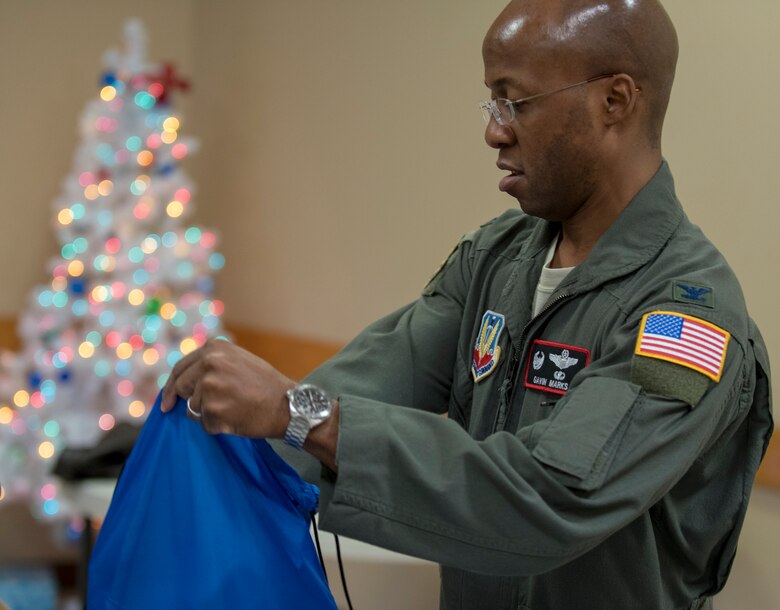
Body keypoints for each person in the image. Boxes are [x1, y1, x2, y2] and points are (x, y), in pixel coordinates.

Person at [161, 0, 773, 608]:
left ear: (614, 101)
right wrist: (225, 432)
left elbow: (550, 499)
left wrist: (298, 412)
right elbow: (368, 382)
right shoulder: (496, 259)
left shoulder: (687, 313)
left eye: (515, 101)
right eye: (492, 101)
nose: (494, 130)